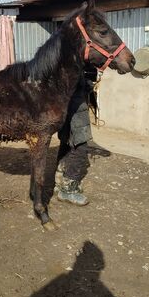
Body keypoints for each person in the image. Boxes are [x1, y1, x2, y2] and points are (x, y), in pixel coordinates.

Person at [55, 64, 98, 206]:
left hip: (64, 105)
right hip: (75, 105)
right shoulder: (73, 55)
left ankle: (59, 181)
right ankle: (68, 190)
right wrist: (87, 84)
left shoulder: (62, 52)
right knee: (80, 146)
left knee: (66, 141)